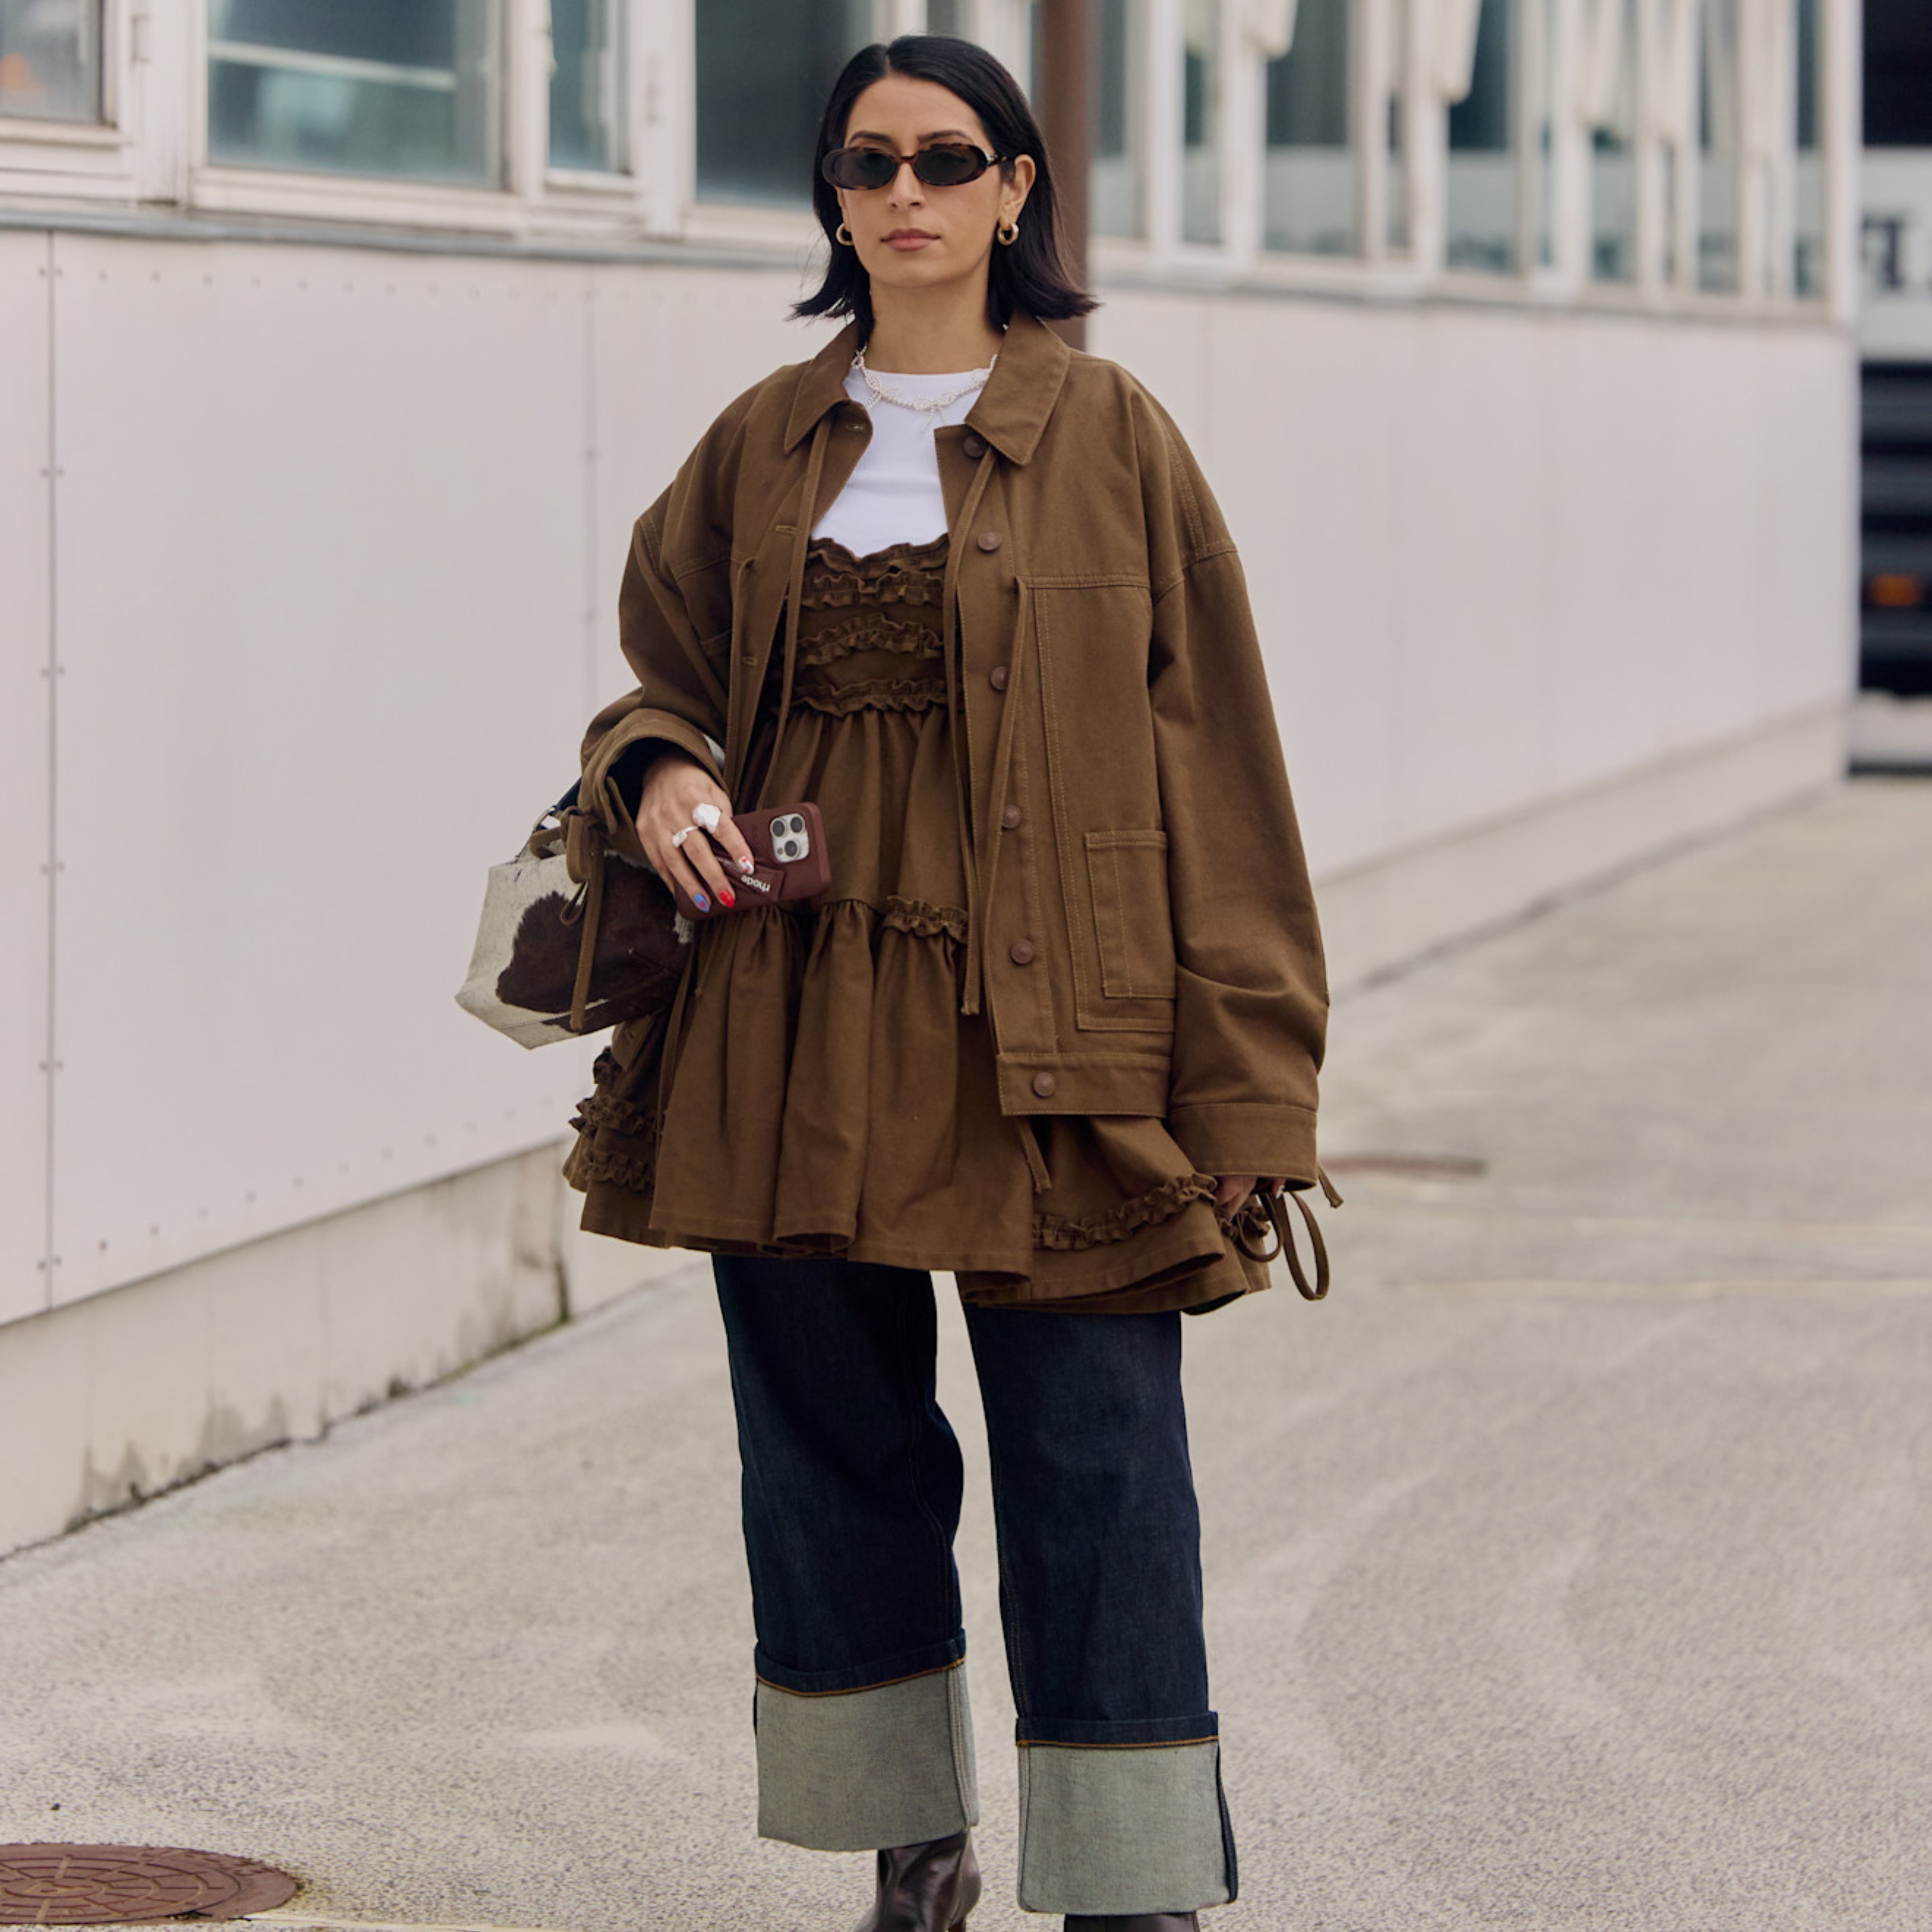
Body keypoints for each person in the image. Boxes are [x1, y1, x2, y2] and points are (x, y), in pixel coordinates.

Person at [564, 34, 1329, 1931]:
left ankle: (1131, 1883)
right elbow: (662, 664)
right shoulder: (761, 441)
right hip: (790, 1015)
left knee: (1099, 1460)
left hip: (1058, 1036)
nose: (904, 192)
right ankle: (913, 1845)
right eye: (866, 162)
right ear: (833, 201)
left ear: (1014, 189)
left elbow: (1222, 780)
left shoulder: (1119, 434)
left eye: (946, 157)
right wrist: (656, 768)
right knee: (830, 1450)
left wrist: (1250, 1099)